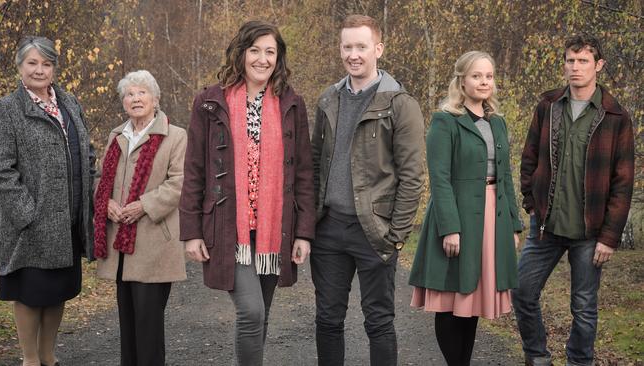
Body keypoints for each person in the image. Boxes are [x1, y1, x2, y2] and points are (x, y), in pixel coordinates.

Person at [179, 20, 315, 366]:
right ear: (240, 54)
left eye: (270, 51)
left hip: (274, 229)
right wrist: (191, 232)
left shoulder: (291, 104)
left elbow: (302, 173)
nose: (262, 59)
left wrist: (303, 232)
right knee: (251, 312)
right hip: (228, 228)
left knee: (262, 315)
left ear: (278, 58)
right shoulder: (210, 102)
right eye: (255, 50)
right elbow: (195, 168)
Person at [512, 35, 634, 366]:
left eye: (582, 61)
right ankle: (537, 356)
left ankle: (580, 361)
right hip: (546, 227)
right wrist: (531, 204)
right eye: (570, 60)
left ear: (599, 65)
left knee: (583, 305)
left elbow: (623, 183)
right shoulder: (548, 106)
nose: (575, 67)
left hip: (590, 231)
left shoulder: (616, 117)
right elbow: (529, 159)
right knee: (521, 291)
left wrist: (609, 237)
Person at [310, 14, 425, 366]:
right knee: (328, 320)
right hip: (328, 230)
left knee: (378, 321)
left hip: (374, 231)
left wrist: (396, 236)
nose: (353, 54)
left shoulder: (399, 104)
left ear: (378, 49)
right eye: (347, 46)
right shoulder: (329, 99)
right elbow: (315, 164)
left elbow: (412, 176)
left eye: (361, 46)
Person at [408, 51, 522, 365]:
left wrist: (512, 224)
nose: (484, 82)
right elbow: (440, 178)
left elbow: (506, 174)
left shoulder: (496, 122)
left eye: (488, 76)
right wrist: (450, 228)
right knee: (451, 298)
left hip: (491, 217)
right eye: (476, 76)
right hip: (457, 217)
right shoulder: (446, 121)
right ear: (462, 80)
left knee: (471, 300)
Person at [0, 36, 96, 366]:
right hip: (29, 224)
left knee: (58, 290)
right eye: (32, 63)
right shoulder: (6, 110)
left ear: (54, 68)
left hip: (68, 219)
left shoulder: (69, 102)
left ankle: (48, 357)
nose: (40, 70)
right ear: (20, 67)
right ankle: (29, 360)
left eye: (46, 63)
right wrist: (28, 214)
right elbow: (0, 170)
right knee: (30, 292)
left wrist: (88, 200)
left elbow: (87, 151)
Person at [93, 70, 187, 366]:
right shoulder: (116, 135)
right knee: (128, 326)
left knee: (148, 328)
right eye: (129, 94)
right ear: (123, 103)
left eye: (141, 92)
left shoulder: (175, 135)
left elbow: (179, 183)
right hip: (121, 248)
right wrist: (105, 201)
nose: (135, 98)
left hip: (154, 243)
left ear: (155, 99)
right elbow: (101, 179)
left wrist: (143, 205)